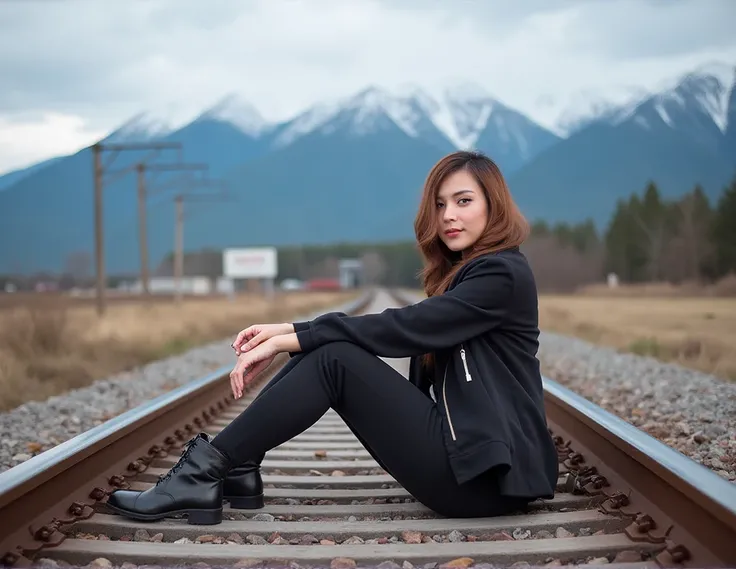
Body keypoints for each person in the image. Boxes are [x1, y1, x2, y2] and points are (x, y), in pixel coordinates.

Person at [106, 150, 559, 525]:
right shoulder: (471, 275)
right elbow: (400, 327)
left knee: (333, 358)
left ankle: (204, 473)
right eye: (440, 205)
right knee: (328, 349)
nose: (448, 216)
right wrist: (292, 331)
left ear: (492, 205)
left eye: (463, 201)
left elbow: (403, 327)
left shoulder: (502, 274)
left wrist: (295, 336)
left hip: (484, 482)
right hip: (468, 464)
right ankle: (237, 468)